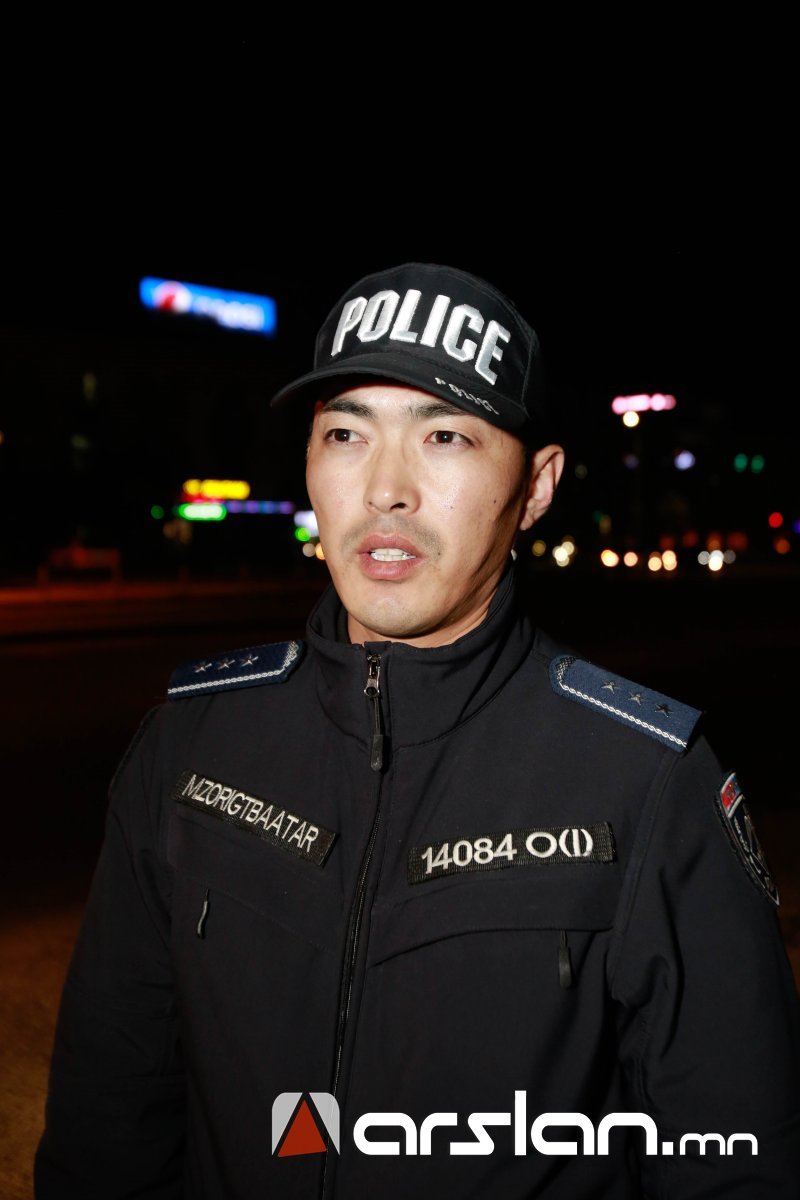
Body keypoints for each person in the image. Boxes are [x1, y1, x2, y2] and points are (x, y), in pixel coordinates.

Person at [36, 262, 800, 1198]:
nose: (385, 489)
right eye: (346, 433)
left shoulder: (645, 781)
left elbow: (735, 1159)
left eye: (445, 435)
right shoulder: (191, 746)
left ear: (536, 487)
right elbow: (109, 1116)